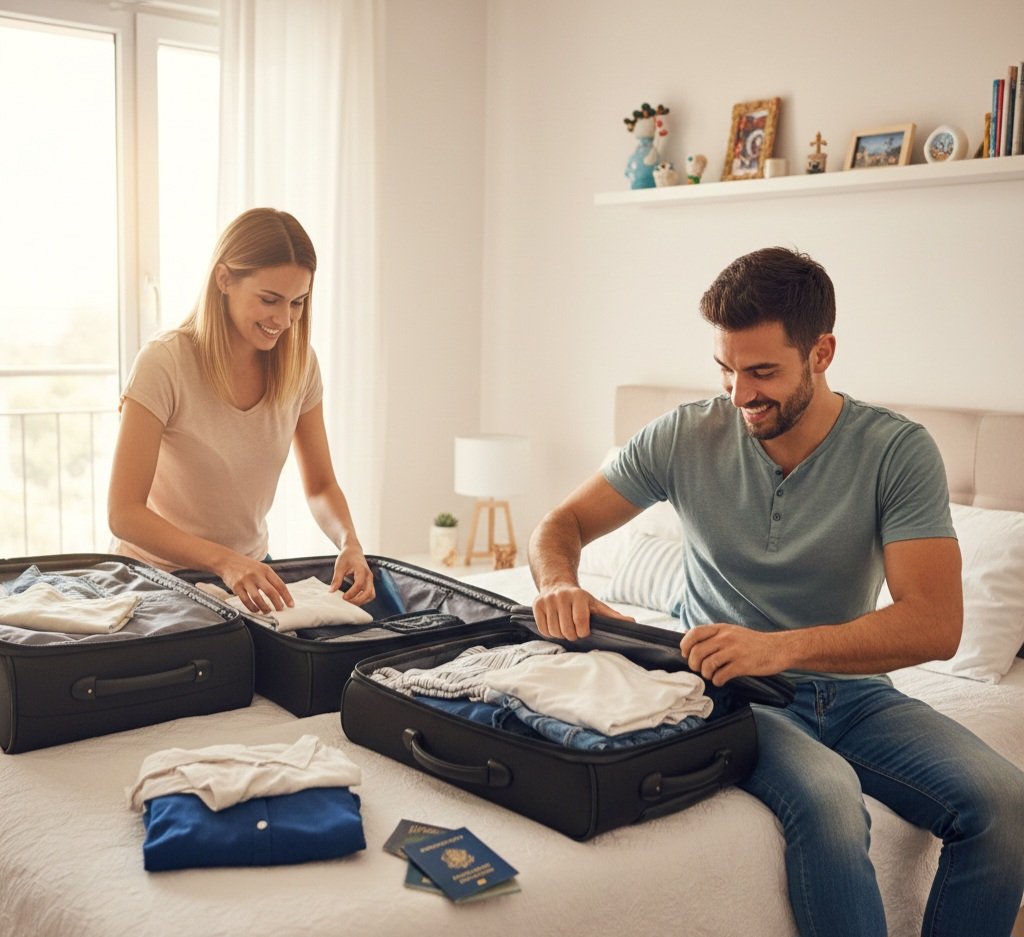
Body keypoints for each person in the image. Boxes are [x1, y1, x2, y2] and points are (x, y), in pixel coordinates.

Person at [528, 246, 1024, 936]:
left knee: (1007, 802)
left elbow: (935, 624)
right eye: (727, 369)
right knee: (827, 796)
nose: (739, 395)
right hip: (732, 694)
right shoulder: (684, 433)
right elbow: (563, 522)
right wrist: (557, 581)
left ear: (821, 352)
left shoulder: (895, 451)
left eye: (762, 371)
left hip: (855, 695)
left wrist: (776, 646)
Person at [108, 207, 374, 615]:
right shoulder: (164, 363)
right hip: (155, 579)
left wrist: (348, 542)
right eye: (270, 300)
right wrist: (224, 560)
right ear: (224, 279)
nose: (284, 320)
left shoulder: (300, 365)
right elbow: (124, 513)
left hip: (247, 574)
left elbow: (320, 485)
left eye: (297, 303)